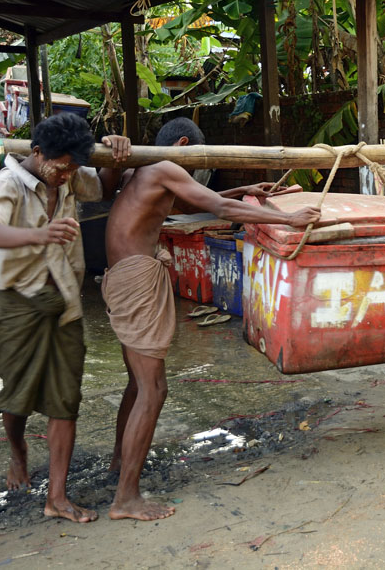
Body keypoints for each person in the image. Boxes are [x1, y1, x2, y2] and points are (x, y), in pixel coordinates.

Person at [101, 117, 319, 521]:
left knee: (138, 383)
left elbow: (193, 202)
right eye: (195, 162)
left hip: (119, 277)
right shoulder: (166, 168)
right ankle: (125, 499)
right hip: (136, 279)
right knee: (154, 390)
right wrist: (289, 219)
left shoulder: (141, 170)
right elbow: (216, 207)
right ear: (183, 146)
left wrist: (246, 191)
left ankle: (119, 465)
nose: (194, 171)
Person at [0, 113, 132, 523]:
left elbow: (104, 189)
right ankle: (18, 449)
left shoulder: (70, 173)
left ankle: (57, 497)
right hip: (19, 300)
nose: (67, 173)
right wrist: (37, 235)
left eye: (74, 166)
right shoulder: (11, 183)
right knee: (18, 393)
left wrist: (116, 154)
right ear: (37, 154)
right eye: (62, 165)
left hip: (66, 300)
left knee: (65, 398)